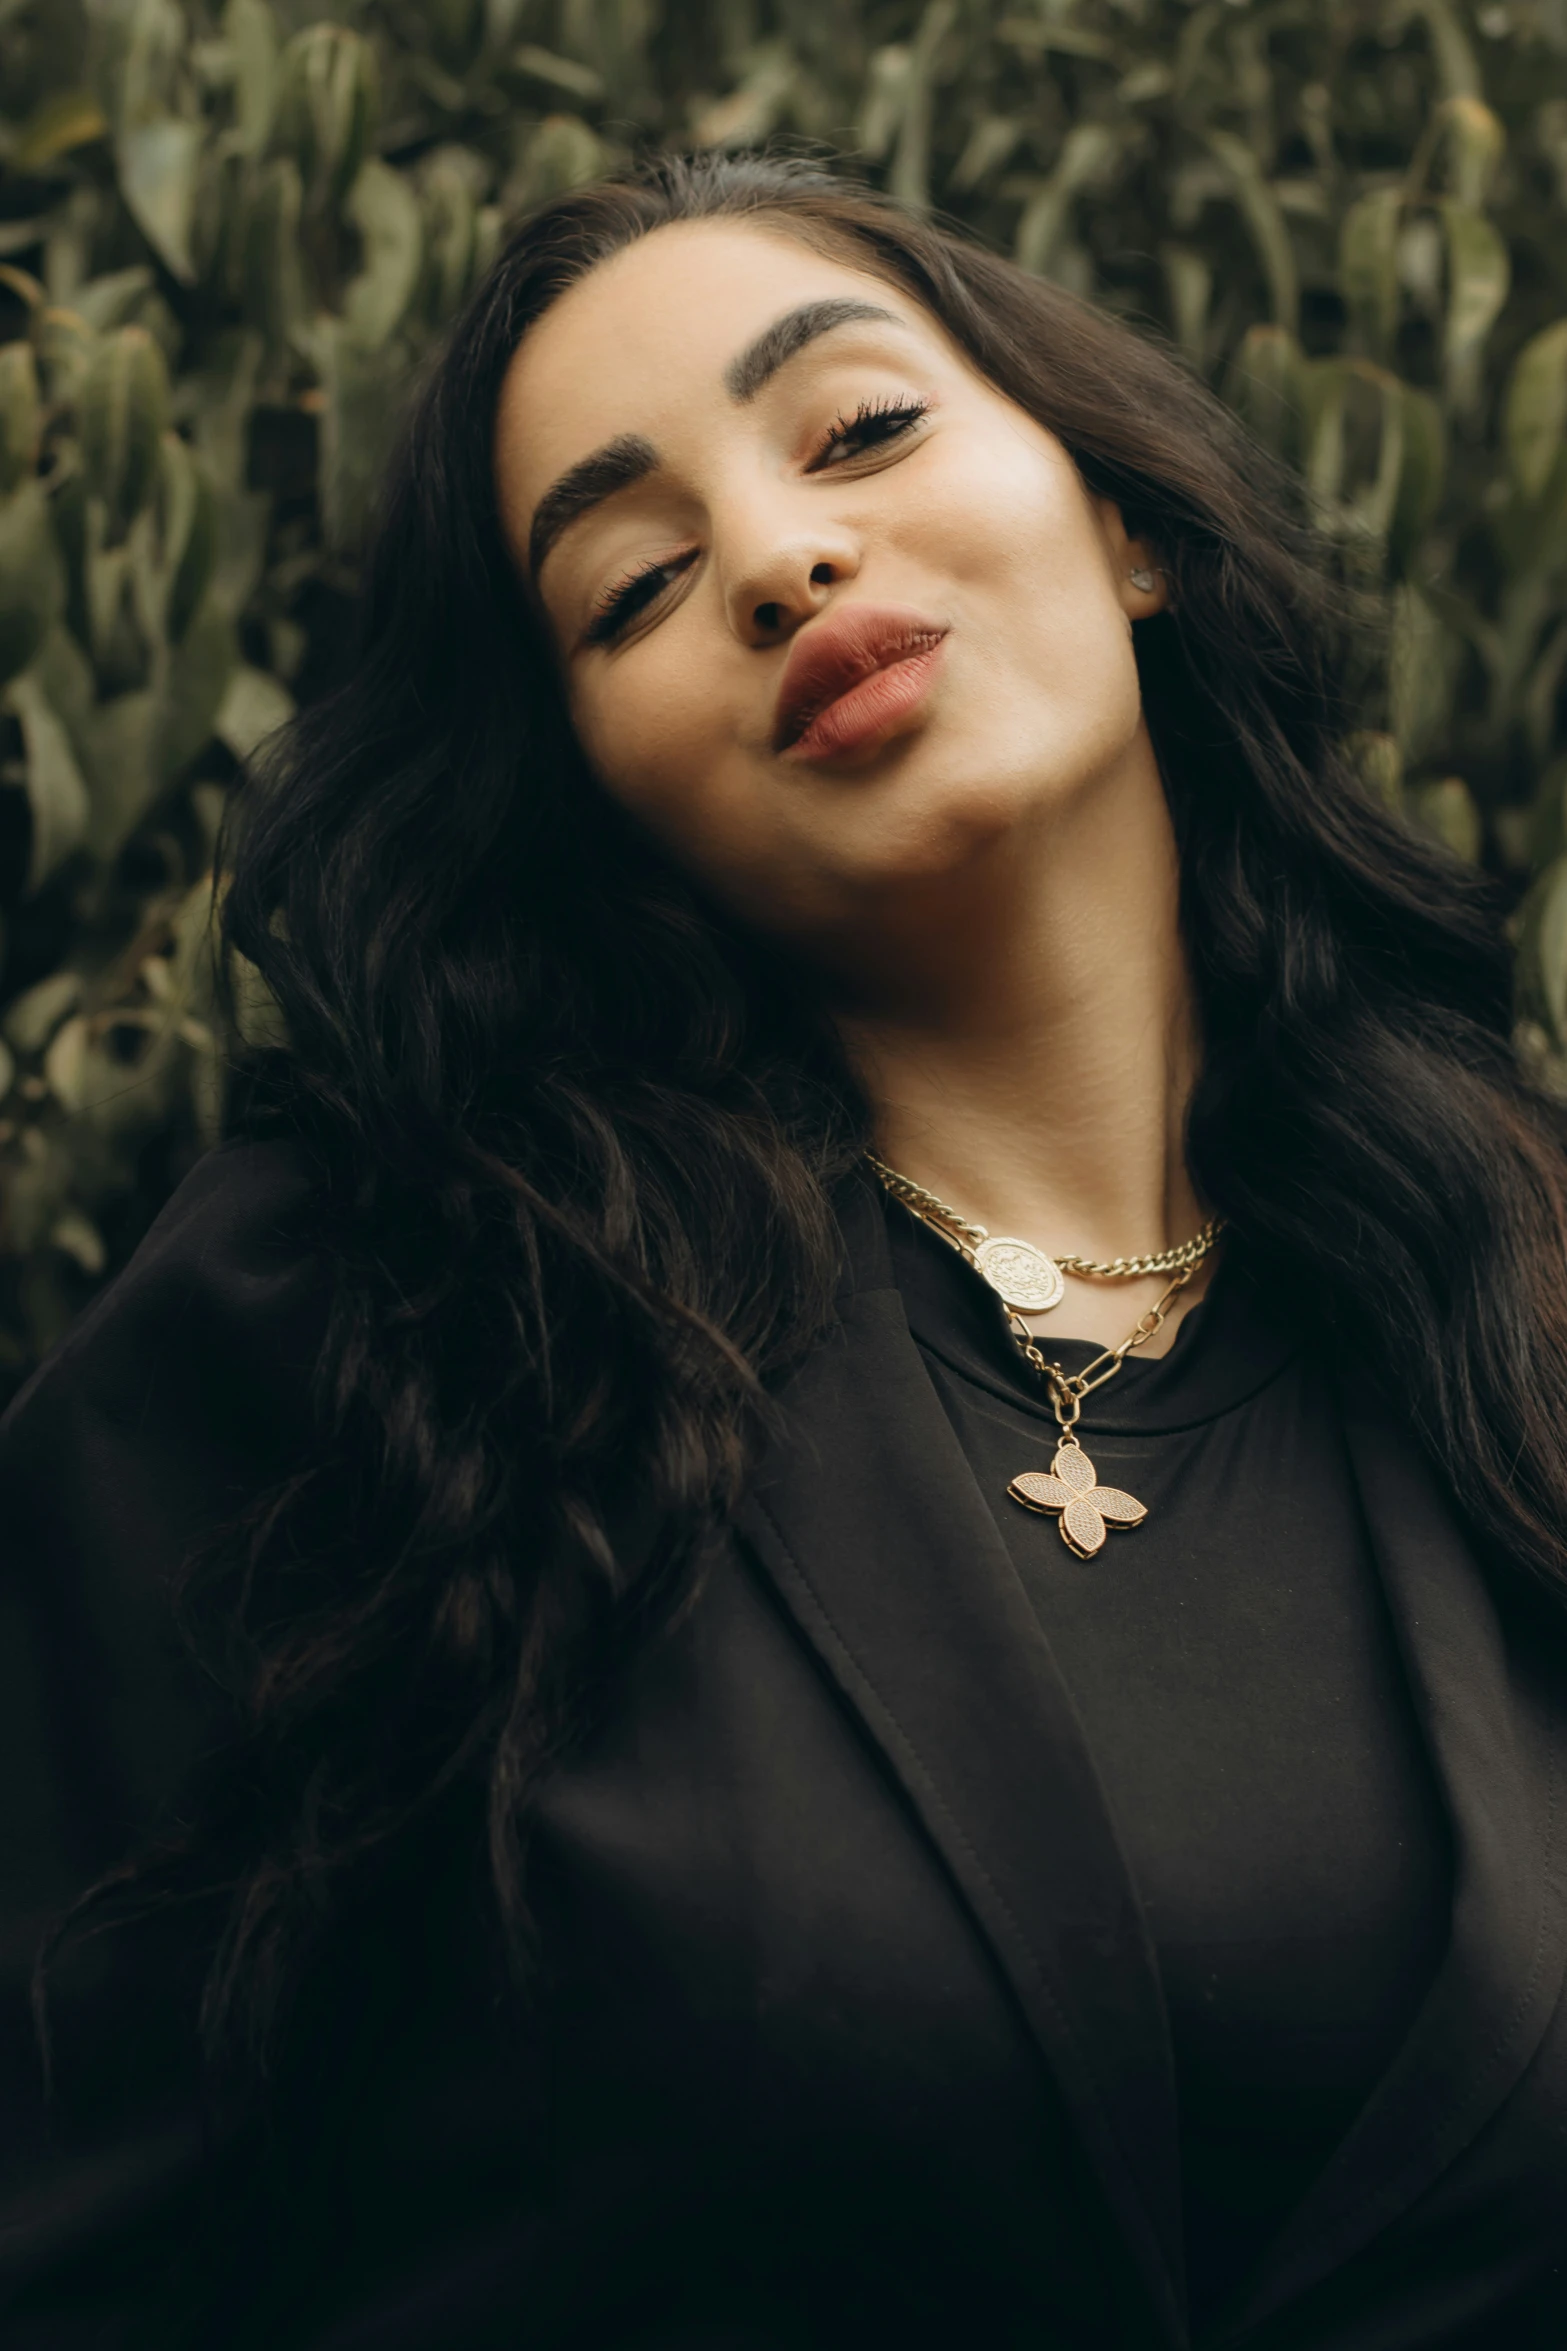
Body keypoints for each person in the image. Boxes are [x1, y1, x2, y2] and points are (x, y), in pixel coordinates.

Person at [1, 148, 1564, 2351]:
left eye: (859, 429)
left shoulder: (1502, 1291)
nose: (776, 551)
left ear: (1127, 523)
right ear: (594, 787)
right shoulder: (379, 1318)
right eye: (630, 585)